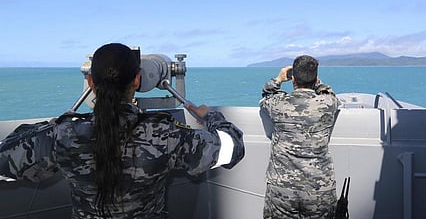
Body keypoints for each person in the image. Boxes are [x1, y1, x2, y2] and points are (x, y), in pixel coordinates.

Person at [0, 43, 245, 218]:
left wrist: (59, 124)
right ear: (137, 80)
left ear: (90, 82)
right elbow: (232, 148)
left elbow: (5, 158)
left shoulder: (62, 136)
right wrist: (211, 117)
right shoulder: (165, 136)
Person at [259, 55, 341, 219]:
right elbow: (329, 93)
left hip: (282, 187)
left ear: (293, 79)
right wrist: (316, 81)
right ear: (316, 78)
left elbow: (267, 93)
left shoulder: (277, 103)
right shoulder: (327, 103)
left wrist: (279, 79)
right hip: (319, 187)